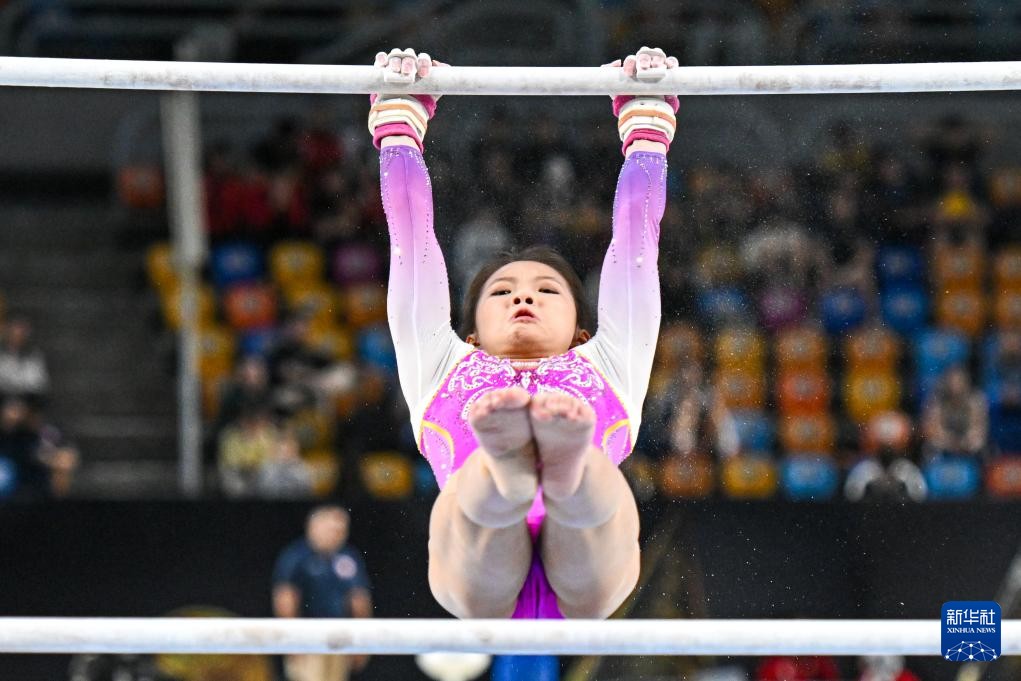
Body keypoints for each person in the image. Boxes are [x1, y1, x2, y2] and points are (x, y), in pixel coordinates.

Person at [370, 45, 678, 619]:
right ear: (471, 334)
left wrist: (646, 129)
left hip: (589, 570)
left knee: (595, 505)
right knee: (482, 506)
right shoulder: (442, 362)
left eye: (546, 290)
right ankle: (515, 471)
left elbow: (636, 242)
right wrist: (398, 129)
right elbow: (411, 241)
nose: (523, 297)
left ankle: (554, 470)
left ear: (582, 331)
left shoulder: (609, 359)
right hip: (477, 571)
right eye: (502, 292)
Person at [273, 506, 372, 681]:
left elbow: (359, 600)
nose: (337, 534)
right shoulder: (296, 556)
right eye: (331, 529)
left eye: (341, 530)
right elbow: (285, 599)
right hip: (306, 635)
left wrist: (361, 641)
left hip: (339, 634)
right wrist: (291, 639)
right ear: (313, 527)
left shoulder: (348, 557)